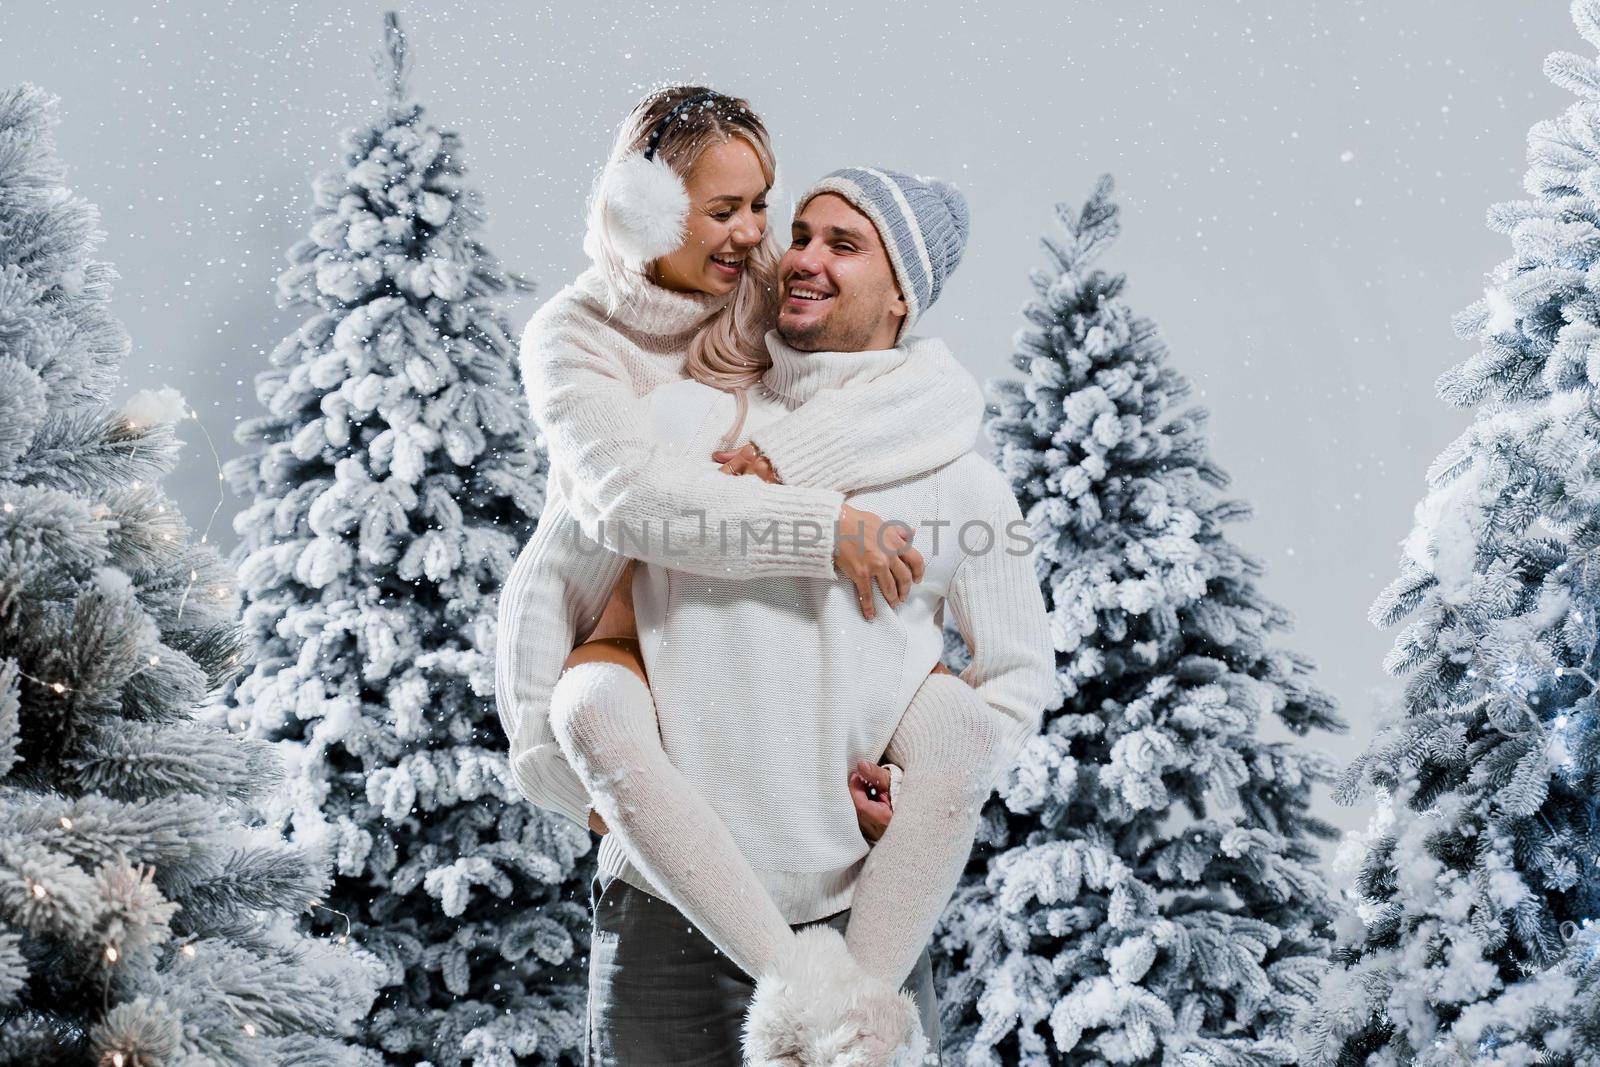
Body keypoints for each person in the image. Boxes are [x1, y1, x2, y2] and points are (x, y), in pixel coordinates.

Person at [494, 88, 1053, 1065]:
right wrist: (549, 738)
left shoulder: (955, 468)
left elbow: (1011, 677)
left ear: (905, 296)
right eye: (797, 232)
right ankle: (814, 991)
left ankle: (849, 1002)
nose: (789, 252)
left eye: (843, 243)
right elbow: (590, 530)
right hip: (671, 895)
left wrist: (916, 789)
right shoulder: (695, 411)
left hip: (856, 895)